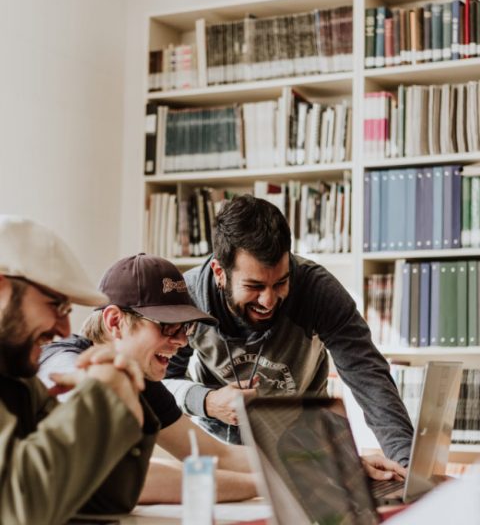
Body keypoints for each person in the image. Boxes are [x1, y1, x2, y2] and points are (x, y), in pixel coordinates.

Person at [164, 194, 414, 468]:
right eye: (254, 287)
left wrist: (406, 466)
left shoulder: (318, 291)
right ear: (219, 272)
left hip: (305, 451)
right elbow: (162, 383)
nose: (268, 300)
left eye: (281, 282)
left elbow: (369, 378)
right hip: (221, 454)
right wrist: (207, 401)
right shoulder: (188, 298)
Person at [39, 253, 259, 503]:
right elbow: (121, 476)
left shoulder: (141, 380)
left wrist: (297, 464)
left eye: (185, 328)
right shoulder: (63, 363)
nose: (182, 341)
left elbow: (215, 455)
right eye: (168, 326)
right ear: (115, 321)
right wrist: (265, 485)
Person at [0, 215, 158, 525]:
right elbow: (18, 511)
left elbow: (99, 501)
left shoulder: (18, 377)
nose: (65, 329)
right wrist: (102, 397)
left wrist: (124, 394)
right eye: (56, 306)